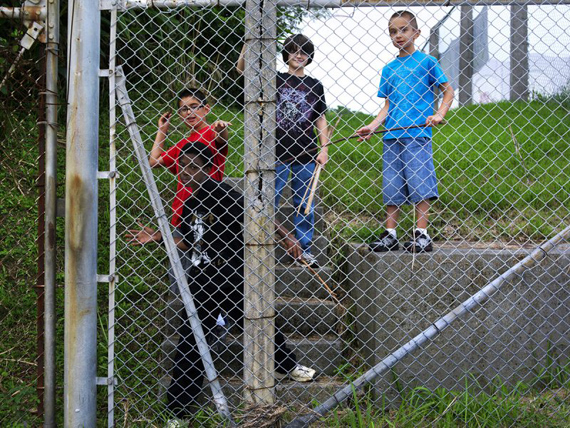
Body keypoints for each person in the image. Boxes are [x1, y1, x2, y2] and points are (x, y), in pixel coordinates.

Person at [127, 142, 316, 419]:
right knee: (191, 342)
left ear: (209, 169)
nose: (186, 172)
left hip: (231, 276)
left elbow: (259, 215)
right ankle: (178, 412)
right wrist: (159, 236)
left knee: (260, 323)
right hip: (202, 279)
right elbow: (189, 242)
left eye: (194, 167)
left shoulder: (223, 193)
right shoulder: (190, 203)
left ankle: (288, 366)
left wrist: (286, 235)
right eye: (183, 166)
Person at [356, 10, 454, 253]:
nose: (398, 35)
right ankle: (390, 234)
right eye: (393, 31)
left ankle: (421, 234)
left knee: (420, 182)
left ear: (416, 33)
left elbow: (448, 91)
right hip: (392, 136)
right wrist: (373, 126)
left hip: (417, 135)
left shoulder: (427, 62)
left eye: (404, 29)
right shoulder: (389, 69)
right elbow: (387, 106)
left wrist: (439, 114)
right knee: (392, 186)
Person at [237, 34, 330, 267]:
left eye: (304, 51)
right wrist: (248, 43)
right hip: (275, 152)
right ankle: (263, 243)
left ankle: (303, 249)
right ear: (286, 54)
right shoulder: (274, 79)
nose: (299, 55)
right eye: (294, 50)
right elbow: (243, 70)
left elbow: (320, 118)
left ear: (309, 57)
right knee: (270, 199)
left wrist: (324, 148)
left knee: (304, 203)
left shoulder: (314, 85)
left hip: (306, 152)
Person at [149, 88, 232, 227]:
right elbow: (154, 161)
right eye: (183, 109)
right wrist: (162, 130)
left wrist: (221, 129)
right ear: (180, 115)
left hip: (206, 212)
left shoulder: (211, 132)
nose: (189, 112)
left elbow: (221, 139)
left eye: (194, 107)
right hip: (181, 212)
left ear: (206, 109)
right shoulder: (182, 144)